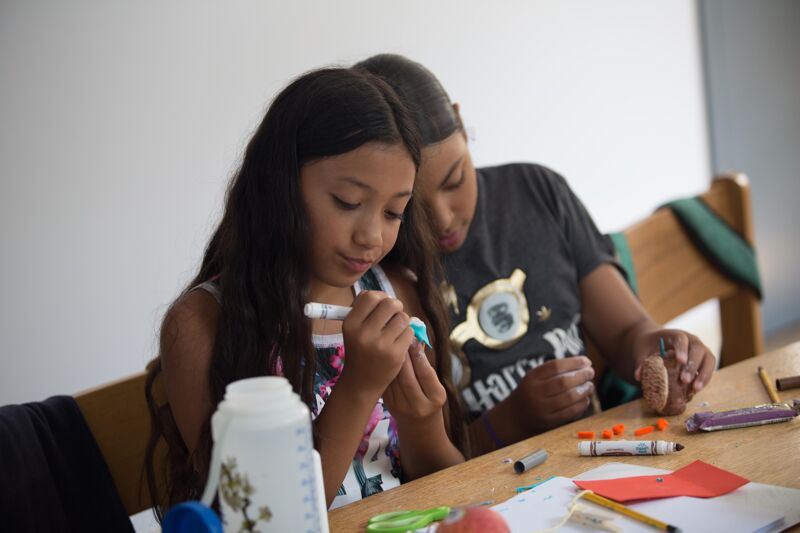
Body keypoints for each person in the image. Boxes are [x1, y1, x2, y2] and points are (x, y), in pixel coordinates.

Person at [143, 67, 468, 516]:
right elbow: (269, 519)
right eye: (348, 203)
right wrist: (358, 387)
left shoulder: (396, 293)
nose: (372, 236)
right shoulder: (202, 326)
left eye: (394, 212)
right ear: (279, 186)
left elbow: (449, 487)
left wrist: (422, 420)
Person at [356, 54, 716, 455]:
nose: (443, 219)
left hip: (593, 456)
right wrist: (512, 419)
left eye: (455, 180)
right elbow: (427, 461)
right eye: (410, 206)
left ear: (461, 121)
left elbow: (627, 333)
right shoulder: (383, 272)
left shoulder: (537, 193)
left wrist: (659, 351)